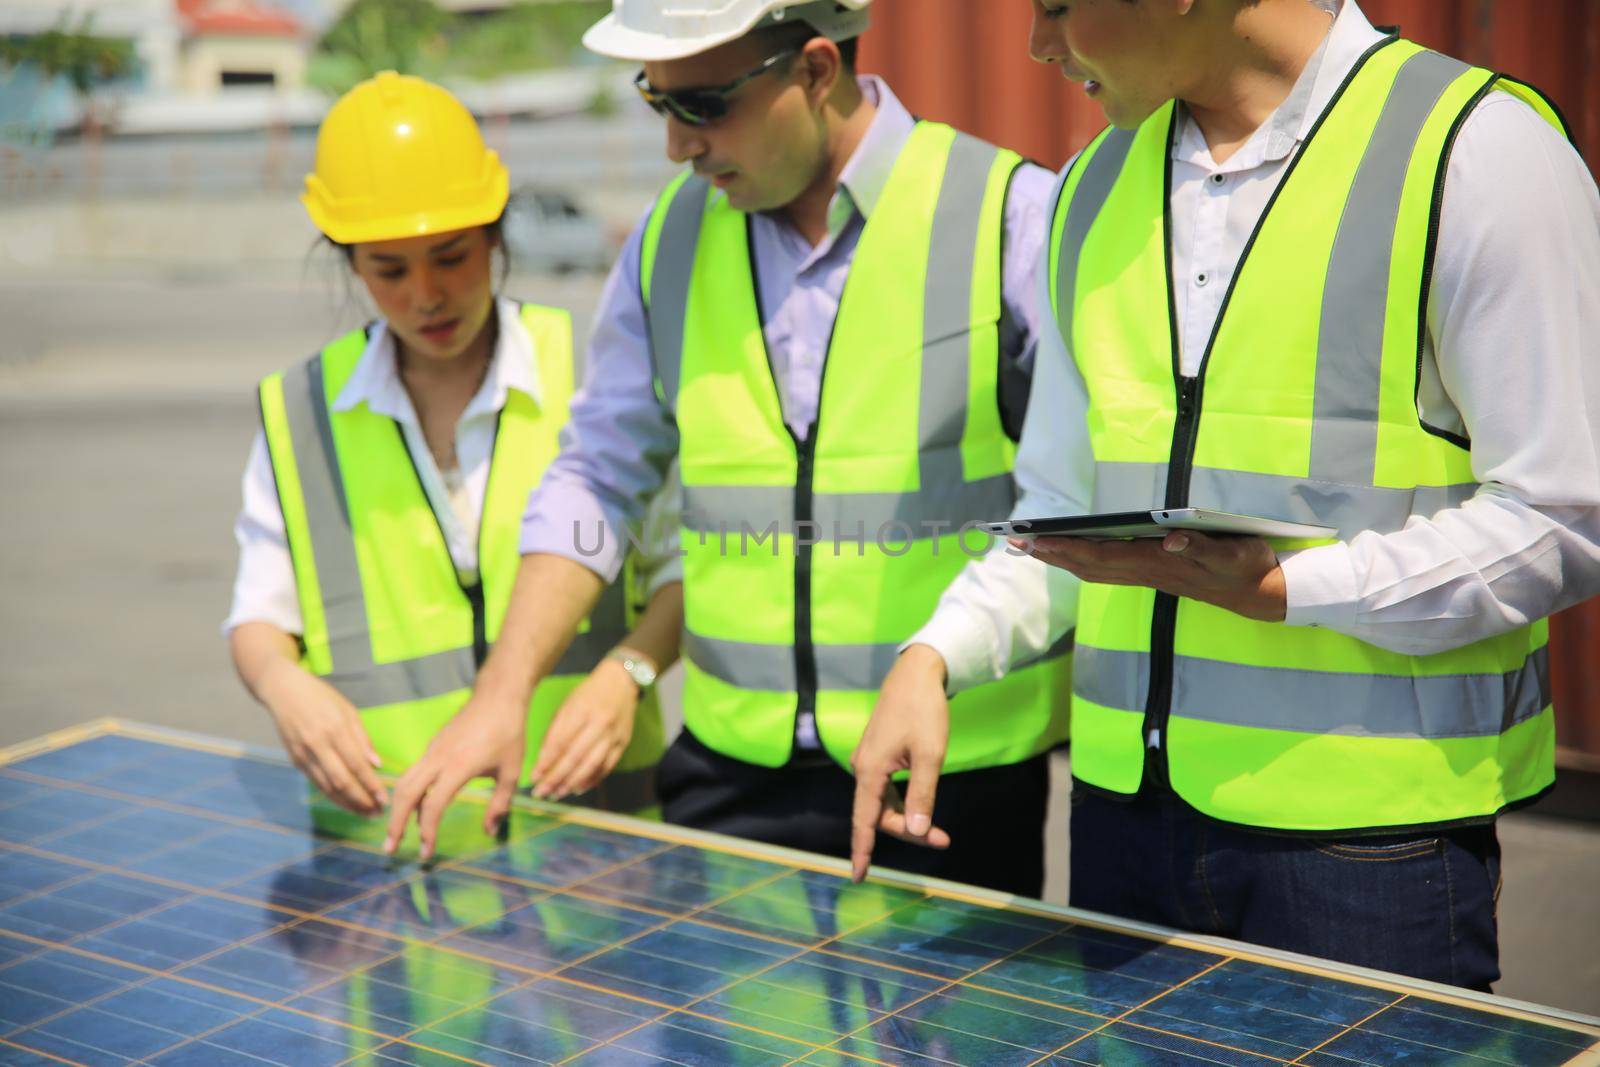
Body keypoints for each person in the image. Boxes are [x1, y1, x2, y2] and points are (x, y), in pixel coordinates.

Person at [852, 0, 1600, 990]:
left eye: (1056, 7)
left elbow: (1564, 512)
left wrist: (1293, 588)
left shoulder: (1476, 150)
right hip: (1120, 837)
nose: (1037, 45)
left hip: (1365, 851)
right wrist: (934, 653)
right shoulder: (1093, 187)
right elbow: (1061, 510)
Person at [380, 0, 1073, 893]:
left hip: (952, 776)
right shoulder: (666, 242)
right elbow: (597, 473)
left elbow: (1075, 497)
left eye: (702, 105)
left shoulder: (1010, 218)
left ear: (817, 71)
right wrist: (504, 691)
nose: (679, 145)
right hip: (728, 776)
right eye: (656, 103)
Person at [225, 72, 674, 829]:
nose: (426, 294)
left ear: (496, 231)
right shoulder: (300, 413)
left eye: (451, 255)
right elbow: (259, 615)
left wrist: (627, 673)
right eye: (389, 269)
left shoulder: (593, 375)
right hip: (388, 860)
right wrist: (281, 682)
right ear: (348, 261)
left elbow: (685, 571)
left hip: (596, 860)